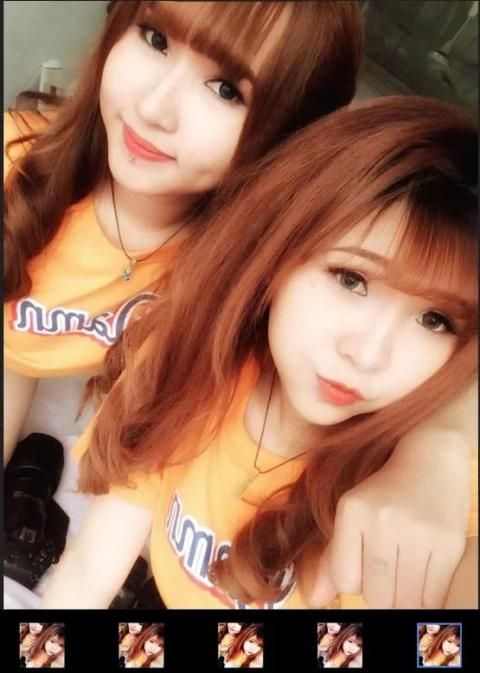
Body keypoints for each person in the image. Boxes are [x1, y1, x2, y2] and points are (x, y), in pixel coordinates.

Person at [41, 96, 478, 610]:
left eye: (435, 320)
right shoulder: (194, 365)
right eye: (351, 278)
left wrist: (443, 449)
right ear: (278, 249)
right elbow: (92, 570)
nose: (367, 354)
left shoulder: (436, 504)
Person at [4, 0, 363, 463]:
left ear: (289, 140)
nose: (154, 108)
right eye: (156, 39)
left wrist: (436, 451)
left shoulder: (251, 275)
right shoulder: (12, 165)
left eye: (226, 90)